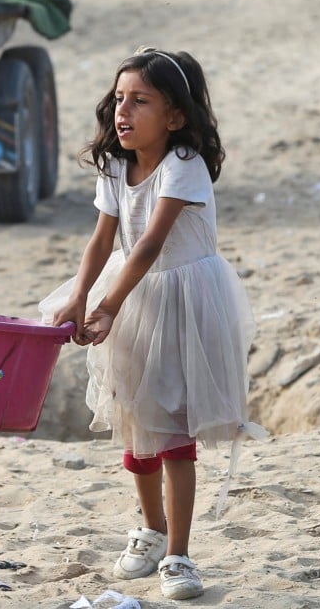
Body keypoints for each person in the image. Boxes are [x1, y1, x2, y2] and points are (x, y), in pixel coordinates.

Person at [40, 48, 258, 601]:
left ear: (176, 116)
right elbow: (101, 238)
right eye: (118, 99)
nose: (123, 112)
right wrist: (82, 294)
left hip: (184, 298)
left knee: (175, 431)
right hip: (133, 296)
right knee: (136, 425)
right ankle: (151, 531)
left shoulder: (183, 164)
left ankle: (181, 555)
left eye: (140, 101)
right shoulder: (115, 165)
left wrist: (109, 306)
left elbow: (152, 244)